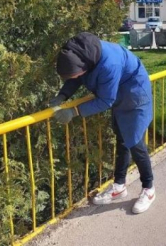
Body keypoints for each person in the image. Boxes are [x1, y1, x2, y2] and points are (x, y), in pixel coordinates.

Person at [49, 32, 155, 214]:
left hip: (135, 96)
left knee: (136, 144)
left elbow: (106, 100)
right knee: (122, 140)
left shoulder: (108, 63)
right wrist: (63, 95)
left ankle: (149, 189)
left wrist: (74, 111)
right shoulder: (82, 54)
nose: (75, 77)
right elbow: (77, 78)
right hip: (118, 96)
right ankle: (119, 186)